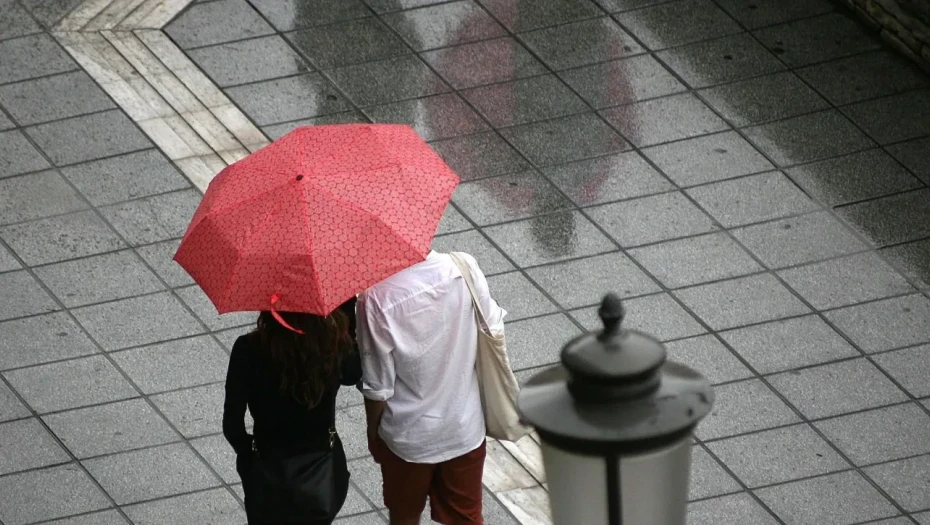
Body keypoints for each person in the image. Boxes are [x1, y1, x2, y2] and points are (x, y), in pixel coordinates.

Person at [357, 251, 506, 525]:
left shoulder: (375, 299)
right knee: (465, 518)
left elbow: (378, 386)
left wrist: (373, 433)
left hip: (409, 438)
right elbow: (493, 326)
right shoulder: (464, 266)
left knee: (404, 515)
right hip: (465, 426)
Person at [223, 298, 361, 525]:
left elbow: (232, 425)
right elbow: (353, 374)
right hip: (321, 470)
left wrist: (249, 458)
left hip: (268, 467)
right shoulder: (332, 345)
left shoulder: (248, 349)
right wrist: (347, 313)